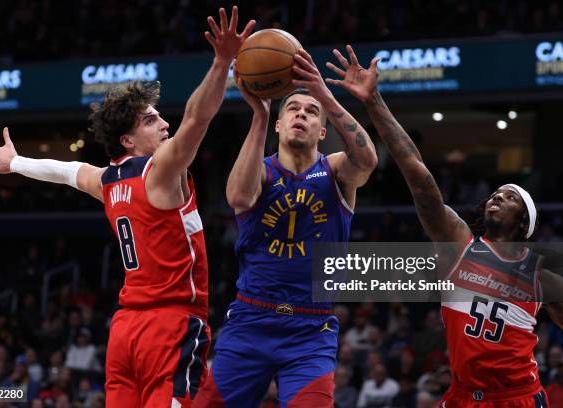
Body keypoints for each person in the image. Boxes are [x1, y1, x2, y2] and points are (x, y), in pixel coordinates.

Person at [0, 7, 256, 407]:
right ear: (128, 141)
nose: (164, 125)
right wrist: (222, 62)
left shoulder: (105, 180)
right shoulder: (161, 172)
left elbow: (65, 171)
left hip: (124, 330)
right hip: (168, 326)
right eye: (152, 120)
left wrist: (15, 163)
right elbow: (196, 117)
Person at [326, 45, 563, 406]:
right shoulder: (460, 246)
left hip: (517, 397)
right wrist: (374, 101)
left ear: (523, 223)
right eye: (496, 193)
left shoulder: (538, 277)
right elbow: (419, 176)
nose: (497, 198)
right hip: (462, 397)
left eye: (510, 196)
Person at [194, 47, 378, 407]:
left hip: (310, 330)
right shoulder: (260, 170)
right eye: (293, 109)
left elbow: (368, 160)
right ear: (279, 124)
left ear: (322, 131)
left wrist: (324, 94)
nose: (301, 115)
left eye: (311, 113)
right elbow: (238, 197)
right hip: (252, 319)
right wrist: (260, 114)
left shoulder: (337, 169)